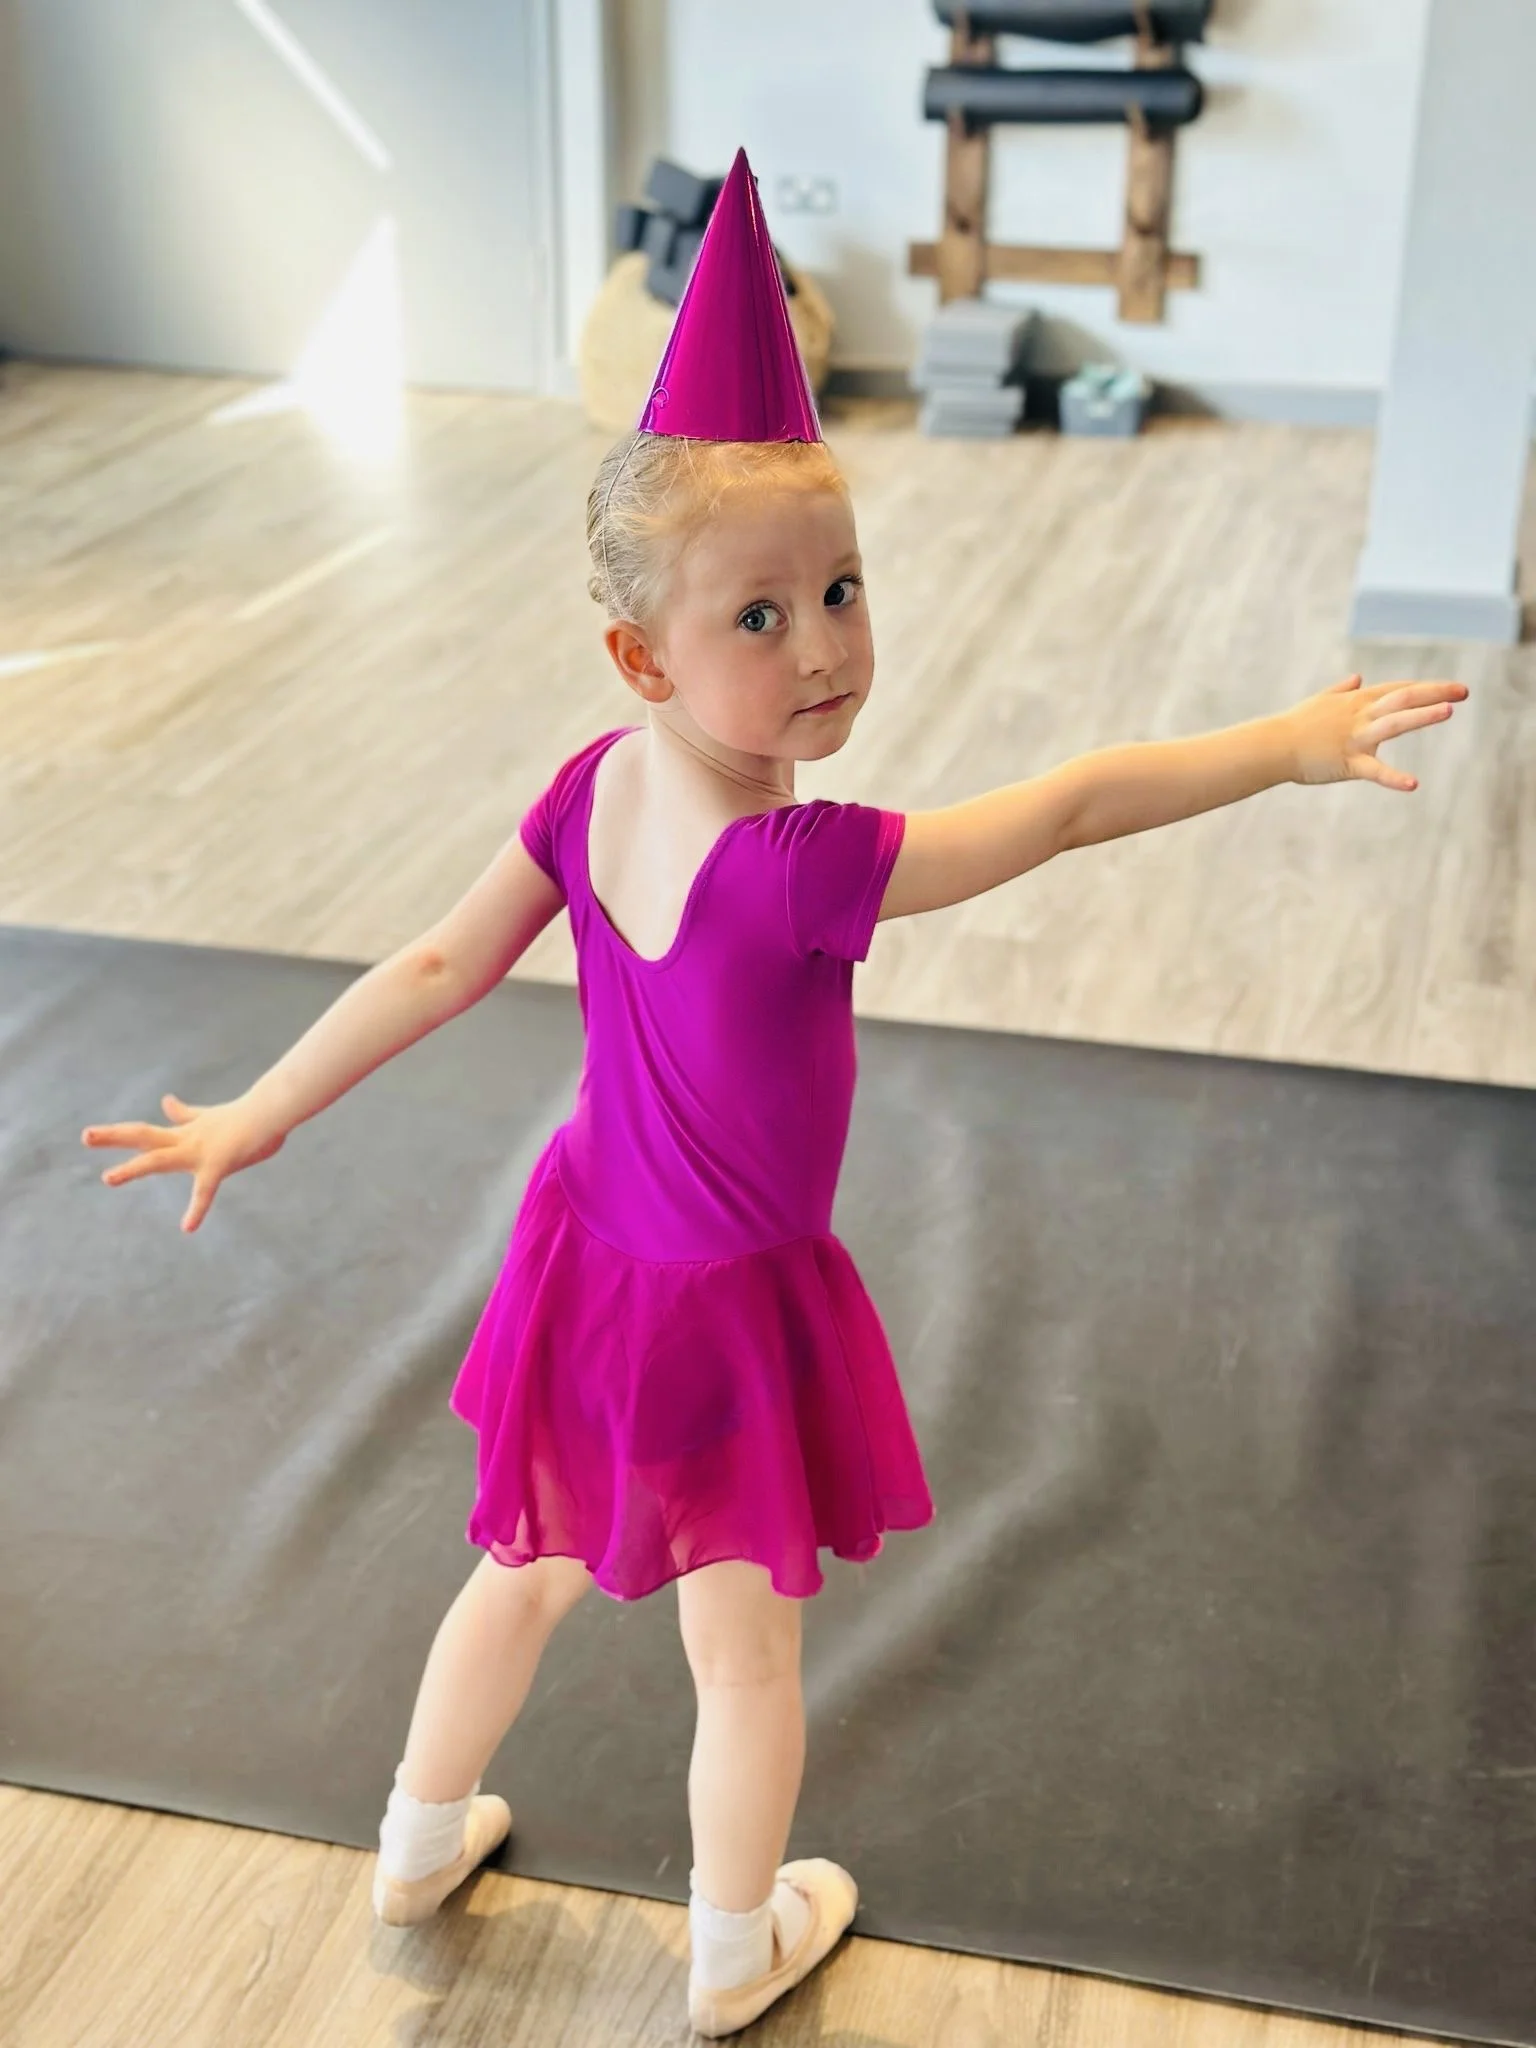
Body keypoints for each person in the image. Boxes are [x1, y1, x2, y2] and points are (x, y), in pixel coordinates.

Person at [80, 148, 1466, 2039]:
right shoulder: (806, 869)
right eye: (761, 618)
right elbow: (1057, 810)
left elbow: (435, 965)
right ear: (641, 649)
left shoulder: (589, 786)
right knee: (745, 1658)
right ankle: (731, 1949)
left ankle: (412, 1839)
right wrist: (1282, 748)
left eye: (841, 587)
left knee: (525, 1567)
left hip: (585, 1256)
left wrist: (258, 1109)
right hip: (725, 1307)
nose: (823, 646)